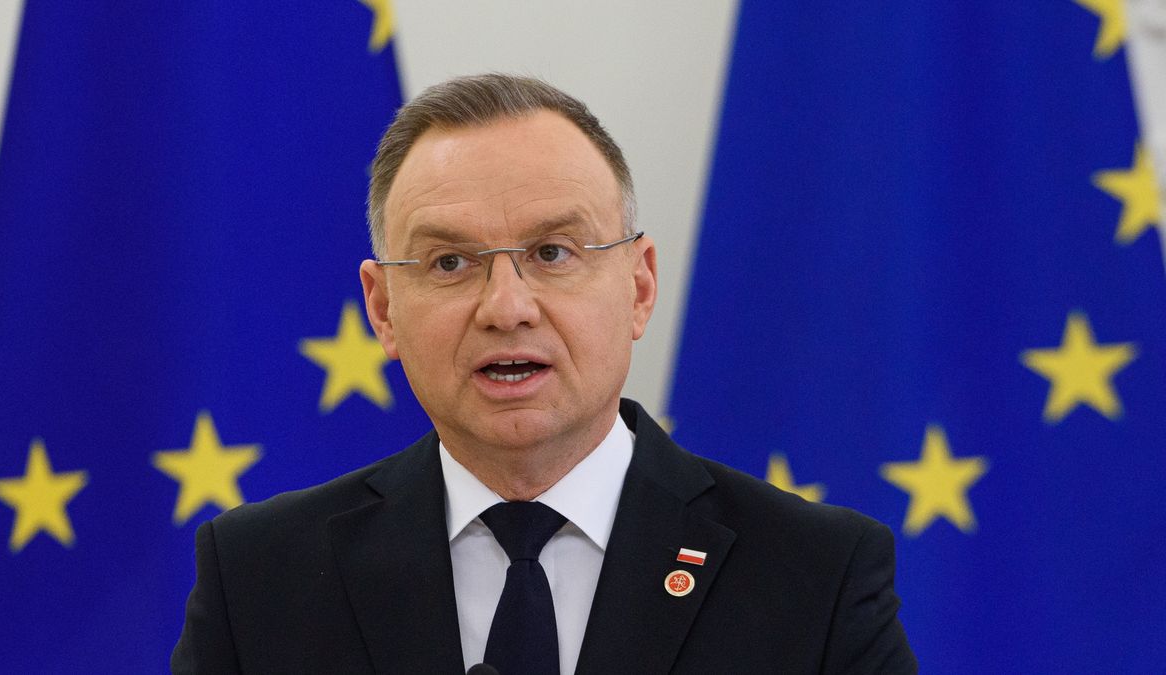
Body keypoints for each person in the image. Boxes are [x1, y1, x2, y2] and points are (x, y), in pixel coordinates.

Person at [171, 74, 917, 674]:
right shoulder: (261, 578)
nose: (506, 307)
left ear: (640, 285)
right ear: (384, 307)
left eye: (553, 253)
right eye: (450, 262)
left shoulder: (816, 577)